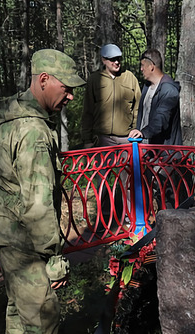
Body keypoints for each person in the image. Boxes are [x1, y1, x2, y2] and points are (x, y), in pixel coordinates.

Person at [0, 49, 85, 334]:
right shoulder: (35, 133)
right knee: (42, 306)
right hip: (23, 229)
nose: (70, 96)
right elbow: (40, 202)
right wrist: (53, 257)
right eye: (67, 88)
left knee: (20, 296)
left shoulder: (14, 117)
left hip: (5, 224)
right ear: (44, 80)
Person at [81, 44, 141, 232]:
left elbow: (139, 106)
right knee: (104, 181)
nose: (116, 62)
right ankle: (104, 220)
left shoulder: (129, 77)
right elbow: (88, 111)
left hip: (127, 139)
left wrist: (138, 128)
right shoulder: (94, 80)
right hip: (103, 138)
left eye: (118, 58)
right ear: (103, 61)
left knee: (128, 181)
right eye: (112, 59)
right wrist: (87, 139)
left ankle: (131, 219)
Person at [129, 49, 182, 208]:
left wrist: (143, 132)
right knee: (148, 192)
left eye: (143, 66)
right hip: (148, 152)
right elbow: (143, 114)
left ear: (152, 66)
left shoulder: (169, 90)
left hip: (166, 154)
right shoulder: (147, 87)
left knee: (166, 196)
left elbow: (161, 119)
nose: (141, 69)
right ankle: (150, 228)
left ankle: (171, 230)